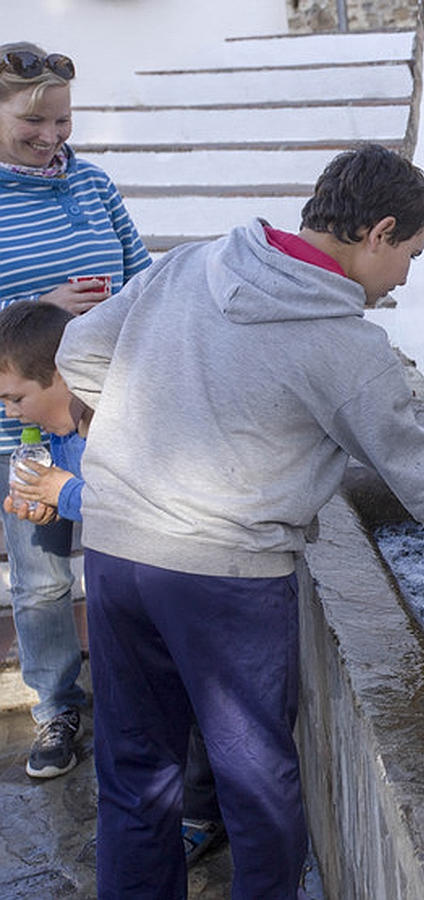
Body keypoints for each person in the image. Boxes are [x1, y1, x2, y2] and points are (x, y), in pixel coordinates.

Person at [56, 144, 424, 898]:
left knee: (136, 772)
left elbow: (79, 352)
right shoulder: (347, 347)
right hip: (226, 580)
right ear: (380, 231)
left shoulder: (194, 262)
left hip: (115, 553)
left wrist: (172, 414)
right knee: (258, 789)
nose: (403, 278)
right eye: (411, 254)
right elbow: (422, 483)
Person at [0, 299, 228, 866]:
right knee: (140, 705)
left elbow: (130, 496)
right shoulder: (55, 430)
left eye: (16, 398)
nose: (10, 413)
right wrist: (50, 501)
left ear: (61, 372)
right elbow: (80, 493)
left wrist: (65, 493)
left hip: (181, 578)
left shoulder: (116, 417)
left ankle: (202, 813)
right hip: (126, 585)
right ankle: (150, 814)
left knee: (194, 705)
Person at [0, 40, 152, 778]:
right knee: (44, 582)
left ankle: (135, 692)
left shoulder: (93, 185)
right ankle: (57, 706)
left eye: (62, 122)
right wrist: (41, 312)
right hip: (19, 429)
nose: (54, 138)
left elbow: (145, 277)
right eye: (36, 123)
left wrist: (116, 309)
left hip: (106, 415)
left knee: (132, 560)